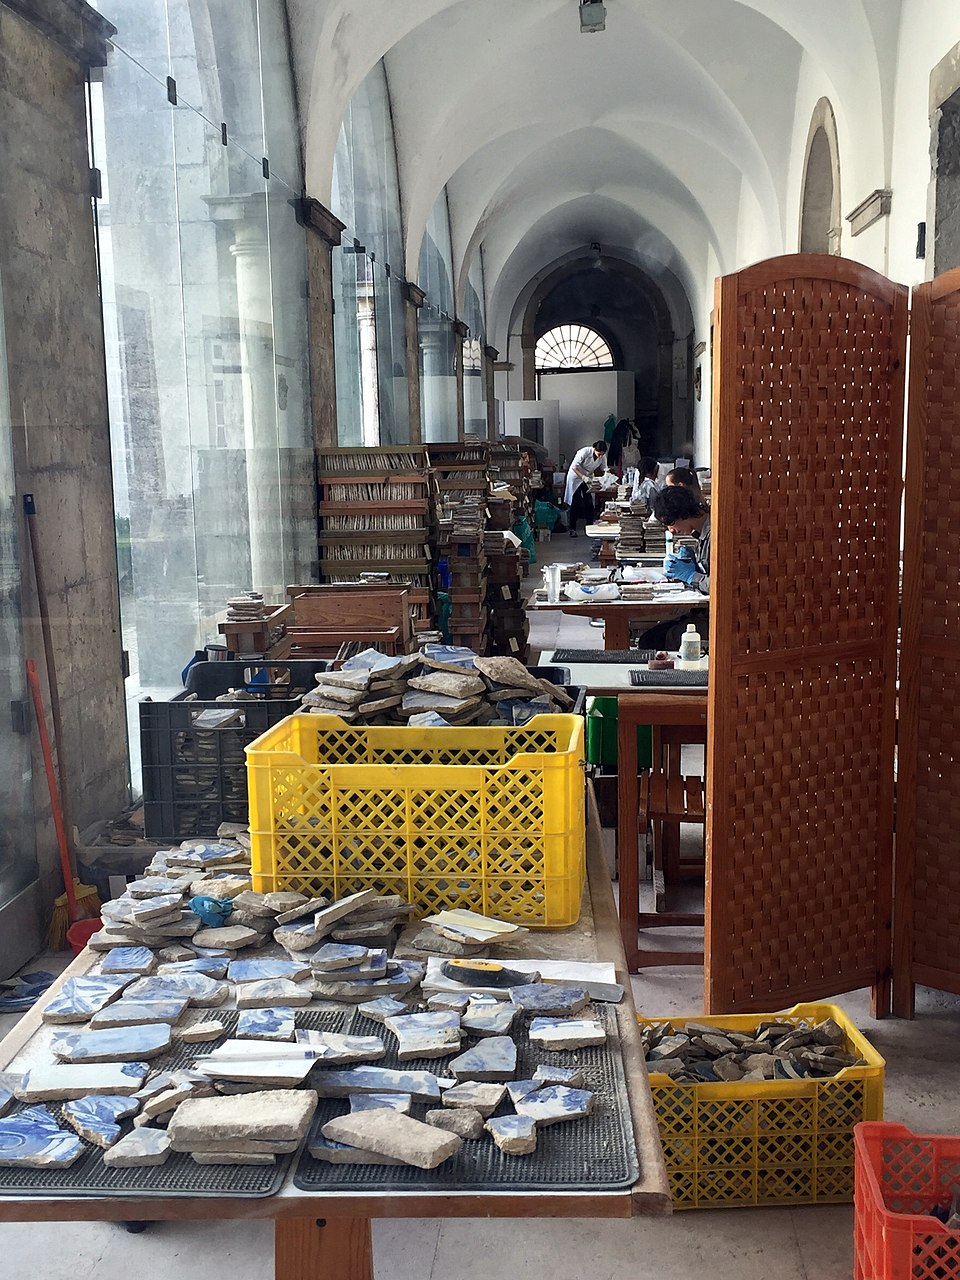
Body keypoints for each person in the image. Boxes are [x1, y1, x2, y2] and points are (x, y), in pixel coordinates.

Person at [633, 484, 710, 649]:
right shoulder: (701, 533)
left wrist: (691, 575)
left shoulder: (714, 535)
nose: (671, 531)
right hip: (702, 613)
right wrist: (693, 566)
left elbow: (720, 586)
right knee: (650, 637)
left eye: (670, 523)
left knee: (651, 643)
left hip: (717, 619)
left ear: (683, 513)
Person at [563, 439, 608, 537]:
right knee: (576, 502)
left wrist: (607, 476)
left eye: (602, 454)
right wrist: (583, 477)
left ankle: (590, 526)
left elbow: (604, 468)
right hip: (576, 476)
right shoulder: (584, 452)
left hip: (588, 477)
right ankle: (572, 529)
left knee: (589, 502)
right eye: (598, 454)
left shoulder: (602, 456)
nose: (600, 456)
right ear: (594, 449)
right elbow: (574, 467)